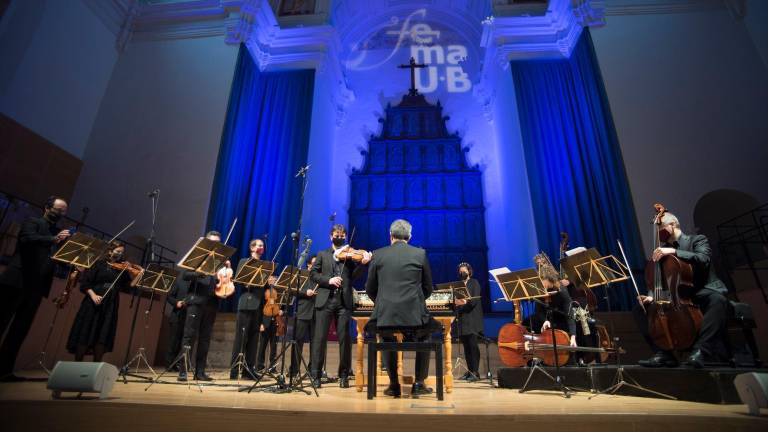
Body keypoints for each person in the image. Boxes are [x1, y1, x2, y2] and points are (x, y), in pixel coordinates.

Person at [635, 211, 730, 368]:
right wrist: (651, 296)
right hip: (676, 296)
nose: (658, 233)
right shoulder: (661, 252)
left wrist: (675, 251)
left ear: (672, 225)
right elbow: (659, 281)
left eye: (660, 228)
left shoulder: (697, 240)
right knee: (641, 310)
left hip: (702, 289)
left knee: (717, 300)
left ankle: (701, 351)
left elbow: (703, 259)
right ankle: (664, 353)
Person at [0, 196, 71, 381]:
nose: (61, 214)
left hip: (37, 286)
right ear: (47, 207)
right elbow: (27, 239)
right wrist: (53, 239)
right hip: (17, 280)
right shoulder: (33, 222)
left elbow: (54, 258)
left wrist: (73, 262)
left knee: (20, 330)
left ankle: (4, 370)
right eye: (59, 210)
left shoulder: (57, 233)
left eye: (64, 211)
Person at [365, 219, 435, 398]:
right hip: (413, 314)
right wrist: (416, 302)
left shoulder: (378, 254)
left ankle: (394, 385)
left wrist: (382, 302)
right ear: (409, 237)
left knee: (386, 336)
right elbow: (428, 287)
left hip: (386, 314)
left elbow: (370, 288)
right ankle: (419, 383)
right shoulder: (420, 254)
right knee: (425, 335)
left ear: (390, 236)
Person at [310, 224, 371, 388]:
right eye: (337, 235)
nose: (339, 237)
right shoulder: (322, 254)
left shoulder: (350, 256)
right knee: (319, 339)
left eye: (342, 235)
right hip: (325, 300)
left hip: (344, 301)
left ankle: (344, 375)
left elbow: (354, 276)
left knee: (345, 339)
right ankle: (316, 375)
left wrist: (363, 264)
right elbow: (313, 274)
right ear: (331, 236)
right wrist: (328, 280)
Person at [66, 241, 139, 362]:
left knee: (103, 332)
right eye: (118, 251)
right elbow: (85, 283)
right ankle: (77, 362)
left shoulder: (122, 269)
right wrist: (93, 295)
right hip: (93, 300)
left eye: (122, 253)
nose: (120, 254)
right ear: (110, 251)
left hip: (110, 302)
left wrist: (139, 274)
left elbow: (129, 286)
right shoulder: (98, 264)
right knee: (86, 329)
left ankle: (96, 364)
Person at [178, 231, 227, 382]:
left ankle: (200, 372)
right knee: (189, 336)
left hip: (212, 302)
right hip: (196, 300)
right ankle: (183, 370)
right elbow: (185, 275)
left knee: (205, 338)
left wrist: (224, 284)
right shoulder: (198, 256)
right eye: (212, 242)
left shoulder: (220, 261)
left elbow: (221, 281)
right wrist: (200, 273)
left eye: (218, 243)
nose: (215, 245)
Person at [229, 239, 275, 379]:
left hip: (259, 305)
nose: (261, 247)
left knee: (254, 339)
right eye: (258, 245)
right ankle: (234, 370)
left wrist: (269, 283)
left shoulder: (265, 265)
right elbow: (239, 280)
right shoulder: (245, 261)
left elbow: (265, 288)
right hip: (247, 303)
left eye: (262, 245)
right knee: (241, 338)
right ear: (252, 247)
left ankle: (248, 369)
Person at [289, 255, 318, 381]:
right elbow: (291, 290)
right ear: (309, 265)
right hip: (303, 312)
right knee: (298, 342)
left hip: (316, 313)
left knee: (315, 344)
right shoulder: (301, 275)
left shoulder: (320, 277)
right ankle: (294, 371)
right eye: (314, 263)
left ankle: (313, 371)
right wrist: (305, 292)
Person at [454, 262, 483, 382]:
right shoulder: (458, 285)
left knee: (473, 346)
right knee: (466, 347)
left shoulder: (474, 282)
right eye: (460, 271)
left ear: (469, 271)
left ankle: (475, 372)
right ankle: (470, 371)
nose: (462, 273)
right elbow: (457, 301)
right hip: (463, 320)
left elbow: (473, 301)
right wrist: (459, 303)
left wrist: (462, 304)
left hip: (472, 319)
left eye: (464, 271)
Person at [165, 275, 189, 369]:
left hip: (188, 317)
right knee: (173, 341)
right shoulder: (180, 281)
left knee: (181, 344)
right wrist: (176, 303)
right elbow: (169, 296)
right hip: (177, 315)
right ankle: (168, 364)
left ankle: (175, 364)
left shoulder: (196, 285)